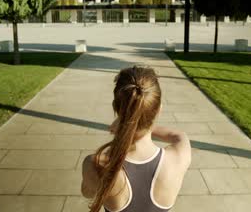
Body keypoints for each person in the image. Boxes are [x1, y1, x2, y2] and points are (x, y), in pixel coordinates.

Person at [81, 66, 191, 212]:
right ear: (158, 110)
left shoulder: (95, 164)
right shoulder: (179, 156)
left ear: (116, 108)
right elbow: (178, 135)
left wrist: (126, 125)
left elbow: (87, 193)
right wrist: (137, 123)